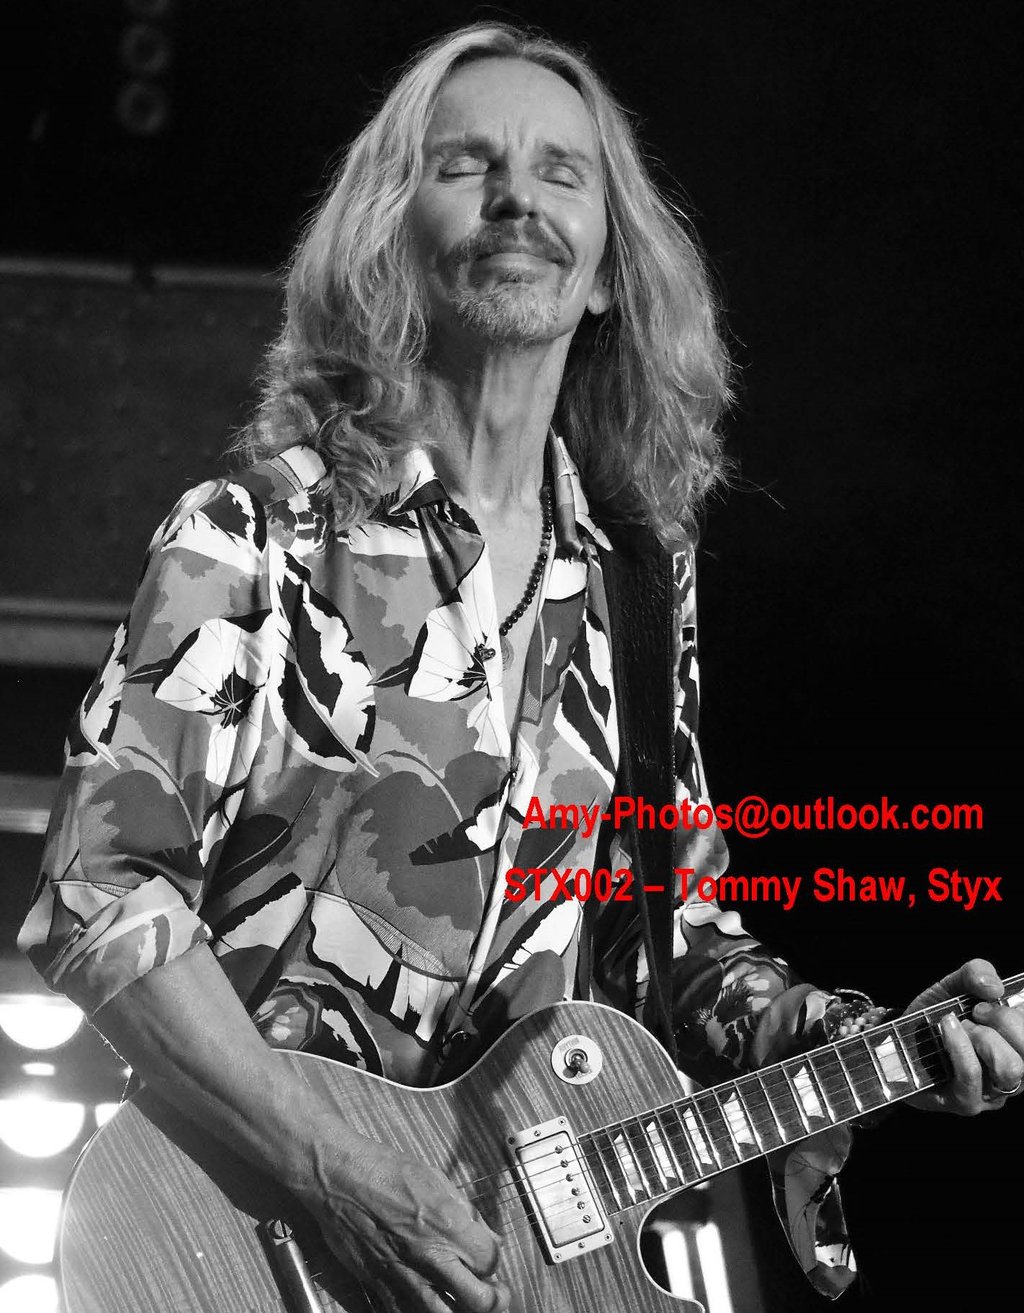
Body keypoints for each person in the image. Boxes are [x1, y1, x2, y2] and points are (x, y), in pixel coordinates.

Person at [18, 21, 1023, 1313]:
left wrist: (869, 1044)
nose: (517, 199)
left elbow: (671, 946)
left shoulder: (639, 591)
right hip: (241, 1250)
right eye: (467, 164)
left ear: (607, 271)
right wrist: (336, 1174)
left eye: (563, 172)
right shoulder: (255, 532)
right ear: (389, 240)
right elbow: (100, 893)